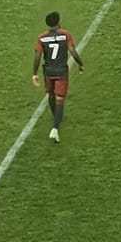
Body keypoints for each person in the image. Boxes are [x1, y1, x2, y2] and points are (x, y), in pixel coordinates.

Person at [32, 11, 86, 143]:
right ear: (58, 22)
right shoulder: (65, 35)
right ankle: (55, 129)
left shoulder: (41, 38)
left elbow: (38, 56)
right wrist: (80, 64)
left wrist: (34, 73)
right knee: (59, 99)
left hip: (48, 71)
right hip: (61, 71)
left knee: (51, 95)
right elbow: (72, 51)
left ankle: (55, 116)